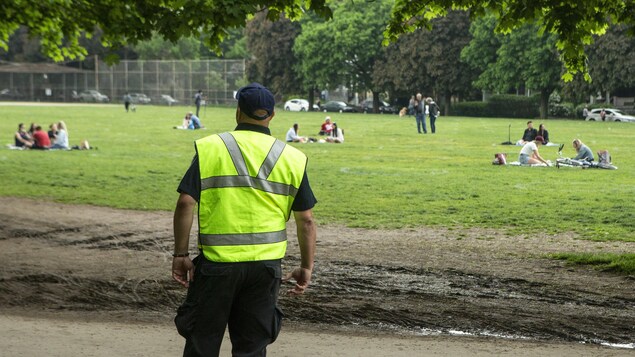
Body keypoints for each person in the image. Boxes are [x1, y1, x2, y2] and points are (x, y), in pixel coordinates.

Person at [172, 82, 317, 356]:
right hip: (265, 269)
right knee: (252, 348)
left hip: (217, 265)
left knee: (201, 344)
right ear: (272, 115)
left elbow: (185, 202)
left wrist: (180, 253)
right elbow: (306, 221)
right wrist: (306, 266)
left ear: (238, 112)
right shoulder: (292, 158)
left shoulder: (212, 147)